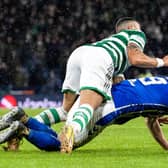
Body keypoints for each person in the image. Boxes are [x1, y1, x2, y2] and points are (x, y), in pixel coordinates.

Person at [45, 16, 168, 153]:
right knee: (87, 108)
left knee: (64, 110)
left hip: (79, 53)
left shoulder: (114, 46)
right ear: (131, 28)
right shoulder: (135, 34)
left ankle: (25, 125)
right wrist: (162, 62)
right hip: (103, 72)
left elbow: (119, 81)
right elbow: (135, 58)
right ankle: (73, 128)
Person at [1, 76, 168, 151]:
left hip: (96, 93)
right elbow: (152, 120)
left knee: (60, 136)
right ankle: (21, 129)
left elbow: (151, 120)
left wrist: (165, 146)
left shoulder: (163, 79)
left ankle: (23, 117)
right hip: (108, 108)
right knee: (63, 145)